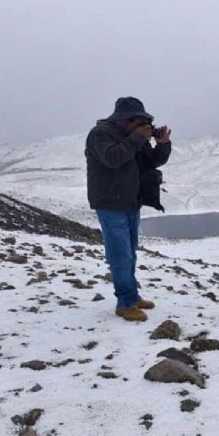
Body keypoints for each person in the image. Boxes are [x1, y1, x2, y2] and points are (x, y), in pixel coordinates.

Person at [86, 97, 172, 322]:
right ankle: (125, 303)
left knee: (130, 252)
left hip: (131, 201)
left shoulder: (134, 137)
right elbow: (113, 159)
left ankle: (132, 295)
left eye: (146, 122)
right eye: (140, 121)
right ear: (126, 120)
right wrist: (137, 137)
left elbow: (151, 161)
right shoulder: (100, 134)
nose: (144, 126)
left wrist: (162, 144)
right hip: (110, 203)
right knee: (120, 254)